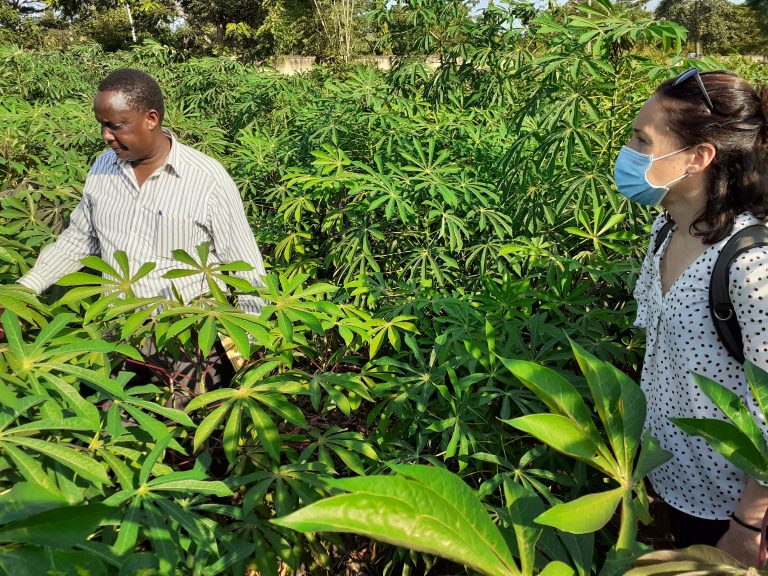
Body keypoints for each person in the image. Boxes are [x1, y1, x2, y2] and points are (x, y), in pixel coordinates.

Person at [13, 68, 268, 397]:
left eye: (115, 126)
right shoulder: (102, 168)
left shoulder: (207, 179)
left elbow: (245, 266)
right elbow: (77, 241)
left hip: (188, 342)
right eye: (101, 124)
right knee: (114, 428)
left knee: (179, 437)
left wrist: (248, 350)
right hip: (117, 332)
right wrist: (22, 291)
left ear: (151, 118)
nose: (105, 135)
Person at [616, 68, 768, 565]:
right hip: (675, 477)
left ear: (699, 157)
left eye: (643, 140)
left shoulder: (749, 266)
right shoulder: (667, 229)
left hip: (731, 503)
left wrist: (748, 524)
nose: (628, 153)